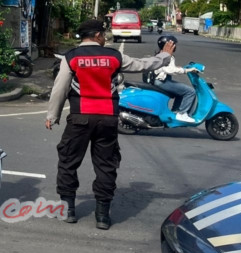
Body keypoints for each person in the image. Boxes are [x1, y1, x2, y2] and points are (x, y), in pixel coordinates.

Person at [45, 19, 175, 230]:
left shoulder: (71, 57)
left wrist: (53, 115)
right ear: (97, 35)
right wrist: (164, 56)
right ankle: (102, 216)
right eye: (103, 34)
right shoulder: (115, 56)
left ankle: (68, 210)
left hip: (80, 117)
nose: (104, 37)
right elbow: (144, 64)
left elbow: (60, 88)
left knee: (68, 160)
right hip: (108, 118)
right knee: (106, 165)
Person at [151, 35, 196, 123]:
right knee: (190, 91)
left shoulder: (161, 54)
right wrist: (187, 70)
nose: (175, 46)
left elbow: (169, 68)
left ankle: (175, 112)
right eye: (173, 44)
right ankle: (182, 114)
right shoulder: (167, 56)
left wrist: (181, 68)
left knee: (181, 92)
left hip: (160, 80)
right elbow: (170, 70)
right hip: (162, 81)